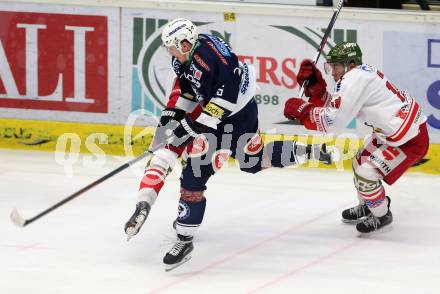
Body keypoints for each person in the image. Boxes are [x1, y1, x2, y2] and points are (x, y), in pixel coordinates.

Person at [124, 18, 336, 271]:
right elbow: (187, 90)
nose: (169, 52)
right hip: (218, 109)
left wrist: (193, 126)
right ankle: (184, 237)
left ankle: (308, 151)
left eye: (171, 47)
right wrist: (172, 116)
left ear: (184, 43)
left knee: (238, 164)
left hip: (238, 115)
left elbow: (224, 102)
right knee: (204, 167)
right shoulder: (185, 55)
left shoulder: (216, 61)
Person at [284, 42, 429, 236]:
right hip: (393, 132)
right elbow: (337, 108)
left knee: (366, 175)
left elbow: (332, 123)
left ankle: (381, 215)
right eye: (330, 66)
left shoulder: (354, 79)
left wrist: (303, 111)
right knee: (359, 162)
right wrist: (315, 89)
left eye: (336, 66)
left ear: (351, 64)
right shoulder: (359, 76)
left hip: (409, 140)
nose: (332, 71)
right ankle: (369, 204)